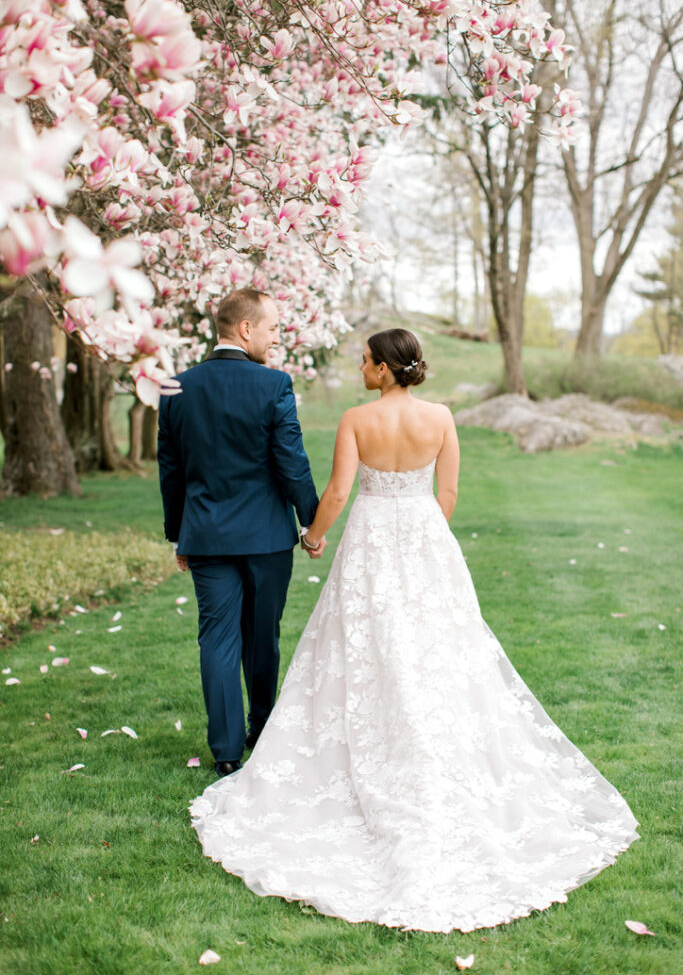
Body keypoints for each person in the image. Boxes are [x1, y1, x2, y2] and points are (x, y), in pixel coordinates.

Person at [189, 328, 639, 933]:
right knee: (436, 650)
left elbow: (342, 491)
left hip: (371, 542)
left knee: (364, 646)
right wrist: (424, 537)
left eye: (365, 360)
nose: (360, 365)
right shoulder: (442, 418)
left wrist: (314, 535)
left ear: (382, 370)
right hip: (426, 542)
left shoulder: (356, 420)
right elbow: (447, 491)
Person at [158, 288, 320, 777]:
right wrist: (311, 518)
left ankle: (226, 751)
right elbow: (291, 461)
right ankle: (263, 726)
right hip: (268, 538)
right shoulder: (274, 385)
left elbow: (171, 469)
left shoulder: (176, 387)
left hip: (205, 536)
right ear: (246, 329)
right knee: (262, 636)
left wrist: (177, 534)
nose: (276, 338)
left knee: (217, 639)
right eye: (272, 328)